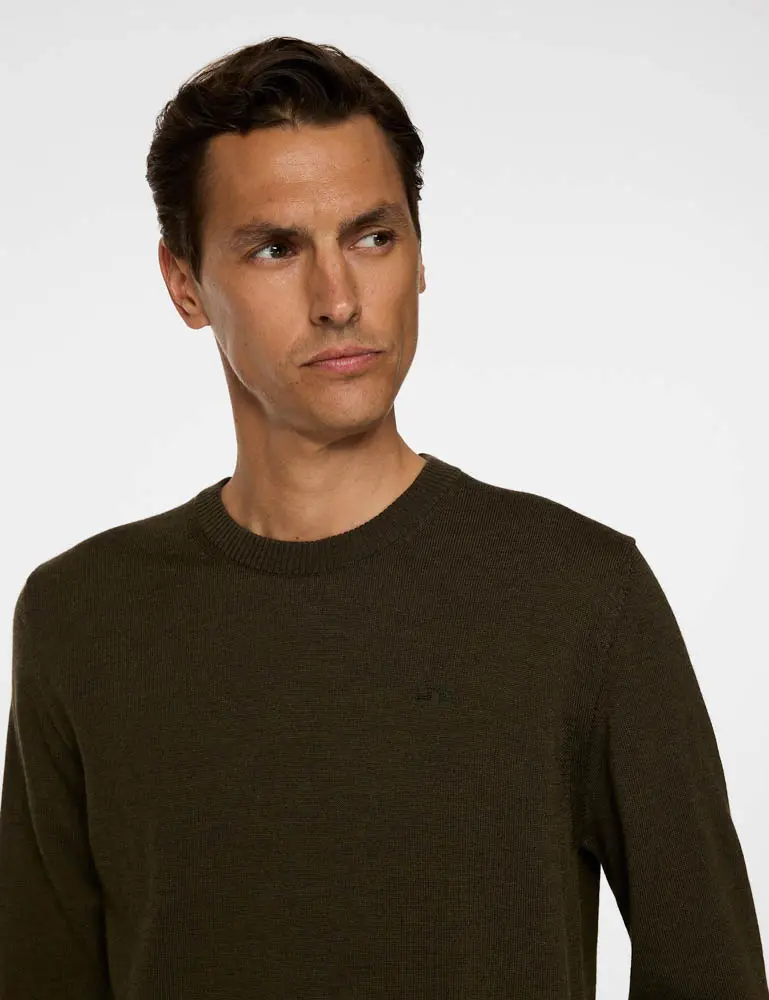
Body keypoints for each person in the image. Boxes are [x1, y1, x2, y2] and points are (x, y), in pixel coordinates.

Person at [1, 34, 767, 999]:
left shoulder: (581, 596)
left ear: (418, 253)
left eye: (372, 237)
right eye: (275, 248)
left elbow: (712, 975)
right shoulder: (81, 616)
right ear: (184, 283)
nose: (338, 300)